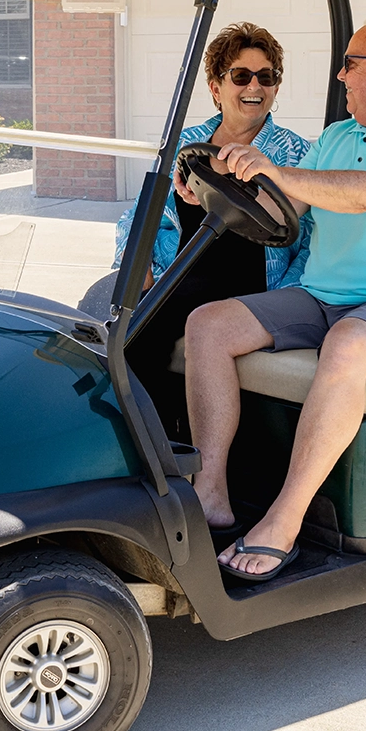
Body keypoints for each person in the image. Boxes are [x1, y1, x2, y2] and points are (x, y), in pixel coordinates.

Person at [184, 11, 366, 581]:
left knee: (346, 344)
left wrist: (281, 172)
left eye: (350, 64)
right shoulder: (338, 138)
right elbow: (285, 211)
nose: (340, 77)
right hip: (323, 296)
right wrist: (211, 191)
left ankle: (283, 521)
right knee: (207, 324)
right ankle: (211, 493)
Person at [112, 23, 311, 443]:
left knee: (140, 333)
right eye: (241, 76)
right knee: (107, 314)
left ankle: (158, 455)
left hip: (253, 286)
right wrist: (139, 266)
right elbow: (138, 215)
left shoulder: (295, 153)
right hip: (180, 270)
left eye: (266, 76)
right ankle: (143, 442)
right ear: (216, 87)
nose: (254, 86)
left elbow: (311, 242)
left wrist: (285, 302)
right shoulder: (189, 143)